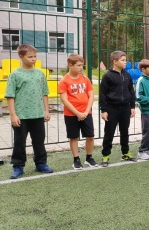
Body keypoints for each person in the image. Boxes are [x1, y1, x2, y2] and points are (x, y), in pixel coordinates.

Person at [6, 44, 53, 179]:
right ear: (21, 57)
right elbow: (10, 96)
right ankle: (18, 166)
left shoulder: (40, 73)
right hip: (21, 115)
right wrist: (13, 115)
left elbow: (44, 93)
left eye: (35, 56)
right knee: (19, 142)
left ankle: (41, 163)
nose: (33, 59)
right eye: (30, 57)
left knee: (39, 141)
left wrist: (46, 110)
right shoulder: (15, 74)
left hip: (38, 114)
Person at [59, 53, 97, 169]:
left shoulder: (85, 79)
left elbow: (91, 96)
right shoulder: (64, 81)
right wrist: (77, 113)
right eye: (79, 65)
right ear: (70, 65)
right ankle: (76, 159)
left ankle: (89, 157)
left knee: (90, 136)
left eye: (82, 65)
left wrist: (86, 111)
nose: (81, 68)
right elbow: (64, 100)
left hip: (86, 113)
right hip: (71, 114)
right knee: (74, 137)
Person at [99, 50, 136, 166]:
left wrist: (132, 106)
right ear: (115, 61)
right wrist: (103, 110)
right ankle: (105, 156)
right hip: (112, 109)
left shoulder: (127, 75)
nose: (125, 62)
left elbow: (131, 91)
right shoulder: (107, 76)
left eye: (125, 60)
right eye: (123, 60)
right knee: (109, 133)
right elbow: (102, 95)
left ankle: (125, 153)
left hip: (125, 109)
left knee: (125, 132)